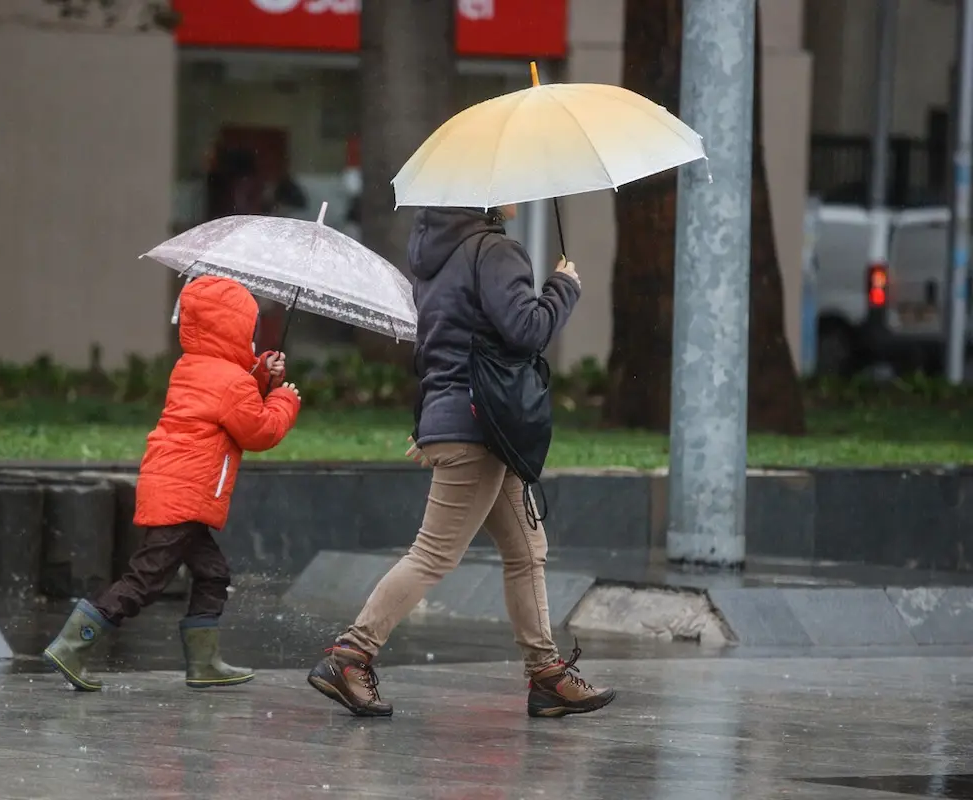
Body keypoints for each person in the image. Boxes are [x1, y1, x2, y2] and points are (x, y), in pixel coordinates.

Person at [307, 205, 615, 718]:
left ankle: (547, 675)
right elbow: (526, 330)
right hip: (480, 424)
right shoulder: (494, 250)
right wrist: (563, 287)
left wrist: (428, 418)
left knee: (526, 548)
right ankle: (351, 654)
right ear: (487, 196)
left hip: (468, 422)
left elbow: (432, 345)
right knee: (434, 554)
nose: (520, 195)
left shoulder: (438, 256)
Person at [43, 276, 302, 692]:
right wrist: (284, 399)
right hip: (187, 494)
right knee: (145, 580)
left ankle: (204, 663)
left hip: (173, 487)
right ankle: (73, 645)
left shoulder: (192, 366)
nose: (253, 339)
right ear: (234, 329)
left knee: (213, 573)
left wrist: (262, 370)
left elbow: (229, 390)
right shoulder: (231, 382)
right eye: (250, 332)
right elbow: (259, 431)